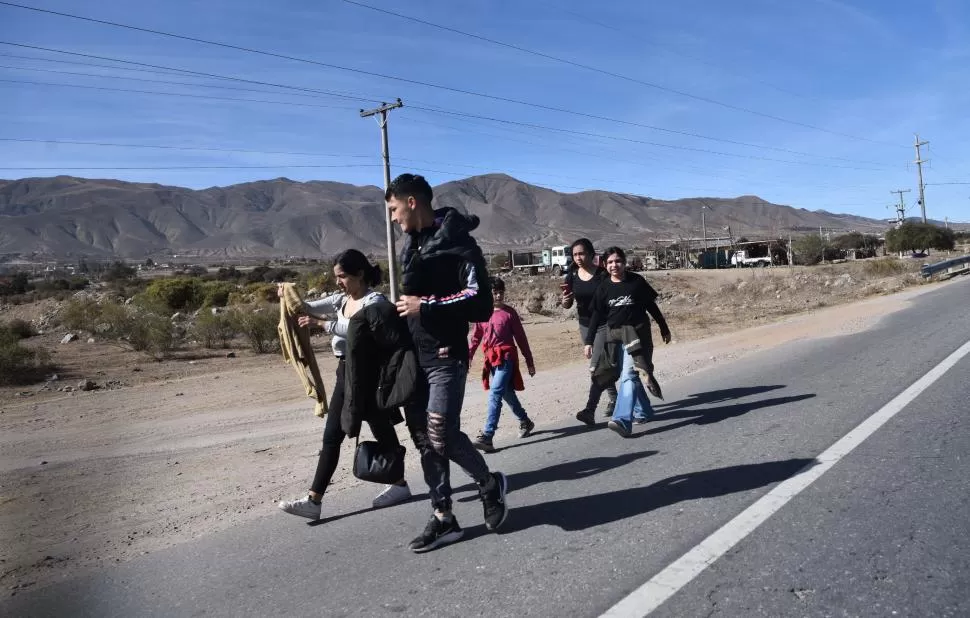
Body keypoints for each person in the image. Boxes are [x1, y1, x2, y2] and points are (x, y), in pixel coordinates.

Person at [387, 173, 510, 553]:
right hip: (415, 354)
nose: (392, 218)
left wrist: (428, 306)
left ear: (411, 202)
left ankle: (489, 483)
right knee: (426, 440)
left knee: (440, 431)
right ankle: (444, 518)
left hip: (445, 355)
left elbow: (480, 303)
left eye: (393, 209)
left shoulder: (462, 246)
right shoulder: (412, 244)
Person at [277, 250, 411, 520]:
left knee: (381, 428)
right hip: (345, 372)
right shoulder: (342, 299)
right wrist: (289, 294)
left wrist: (322, 325)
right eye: (336, 276)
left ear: (359, 274)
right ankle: (314, 500)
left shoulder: (375, 302)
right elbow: (309, 306)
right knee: (333, 434)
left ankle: (398, 484)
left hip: (369, 375)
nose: (338, 282)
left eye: (342, 276)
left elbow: (356, 329)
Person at [585, 247, 672, 438]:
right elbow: (597, 315)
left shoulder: (636, 282)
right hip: (618, 338)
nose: (614, 265)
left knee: (629, 375)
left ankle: (622, 419)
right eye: (609, 262)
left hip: (639, 337)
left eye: (617, 261)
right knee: (633, 375)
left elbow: (651, 306)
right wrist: (589, 341)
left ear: (624, 262)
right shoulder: (604, 287)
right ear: (604, 265)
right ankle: (644, 412)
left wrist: (663, 327)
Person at [468, 277, 537, 453]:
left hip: (506, 357)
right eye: (494, 293)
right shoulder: (481, 313)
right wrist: (467, 356)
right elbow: (476, 337)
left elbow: (521, 338)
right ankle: (525, 421)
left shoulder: (510, 314)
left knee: (495, 393)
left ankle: (488, 436)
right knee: (506, 393)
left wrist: (529, 361)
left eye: (501, 292)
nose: (498, 296)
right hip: (491, 359)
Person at [561, 238, 617, 426]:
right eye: (575, 254)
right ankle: (614, 398)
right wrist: (565, 301)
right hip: (585, 325)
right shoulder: (572, 276)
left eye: (581, 253)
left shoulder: (602, 275)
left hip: (604, 324)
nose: (578, 257)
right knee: (602, 365)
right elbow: (567, 304)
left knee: (596, 366)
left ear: (591, 254)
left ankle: (589, 410)